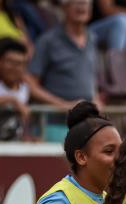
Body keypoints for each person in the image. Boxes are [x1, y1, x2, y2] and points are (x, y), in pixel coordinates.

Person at [28, 0, 102, 142]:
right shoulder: (47, 41)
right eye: (77, 3)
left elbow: (91, 76)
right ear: (64, 7)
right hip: (54, 125)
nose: (82, 6)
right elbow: (30, 85)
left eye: (86, 3)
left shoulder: (92, 38)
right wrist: (62, 105)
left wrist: (96, 99)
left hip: (86, 125)